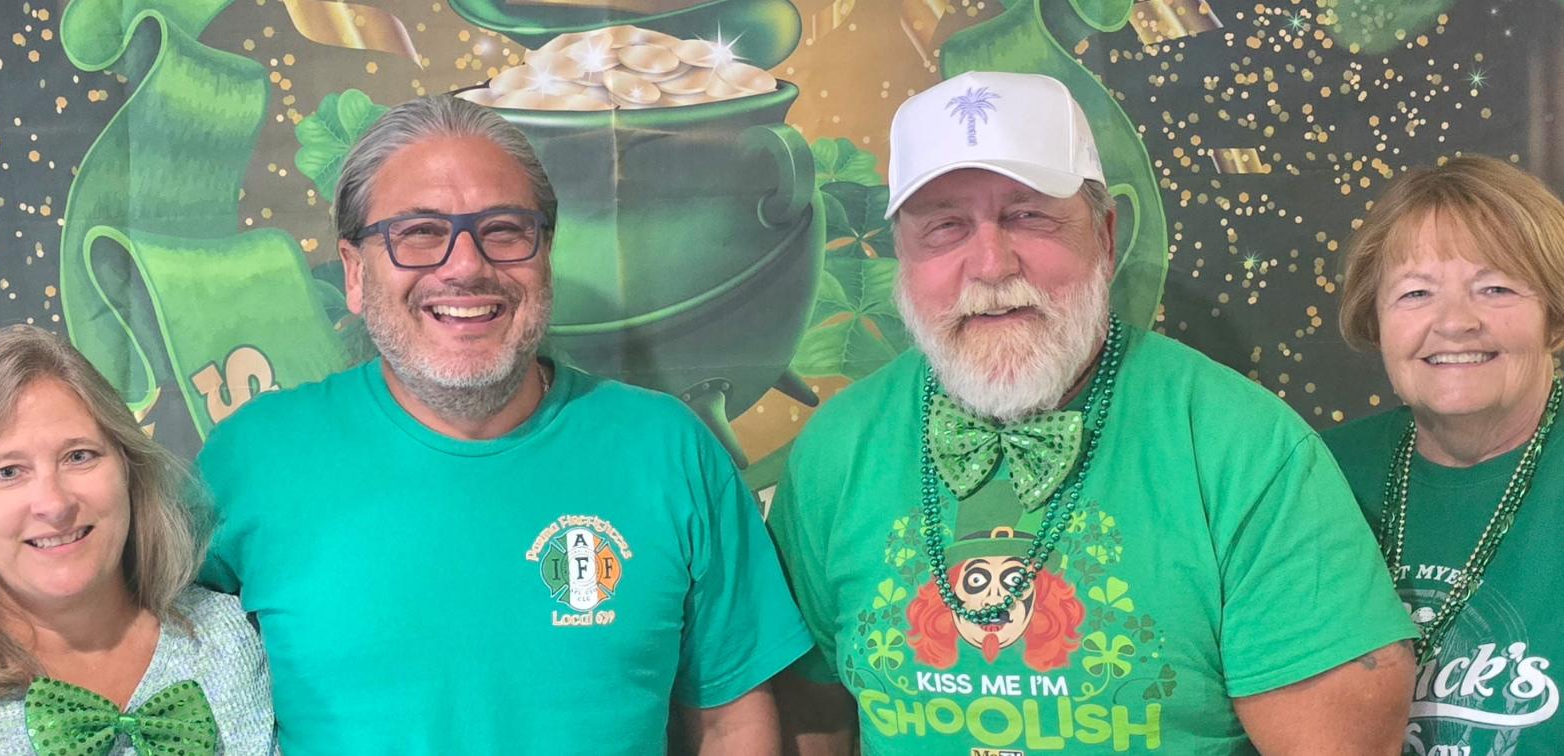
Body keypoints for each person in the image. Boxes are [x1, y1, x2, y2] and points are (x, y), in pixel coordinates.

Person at [767, 70, 1419, 755]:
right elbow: (810, 719)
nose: (990, 264)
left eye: (1028, 215)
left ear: (1105, 236)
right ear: (902, 254)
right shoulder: (835, 448)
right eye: (944, 227)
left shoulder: (1247, 448)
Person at [194, 93, 812, 755]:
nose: (465, 265)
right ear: (354, 273)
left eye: (505, 230)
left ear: (545, 254)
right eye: (419, 232)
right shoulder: (251, 459)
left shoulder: (669, 449)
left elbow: (730, 719)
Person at [0, 325, 273, 755]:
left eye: (78, 456)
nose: (53, 504)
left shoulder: (233, 638)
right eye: (8, 472)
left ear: (129, 469)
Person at [1323, 155, 1564, 755]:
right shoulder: (1317, 473)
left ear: (1554, 318)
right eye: (1416, 293)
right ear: (1376, 319)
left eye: (1495, 288)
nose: (1454, 322)